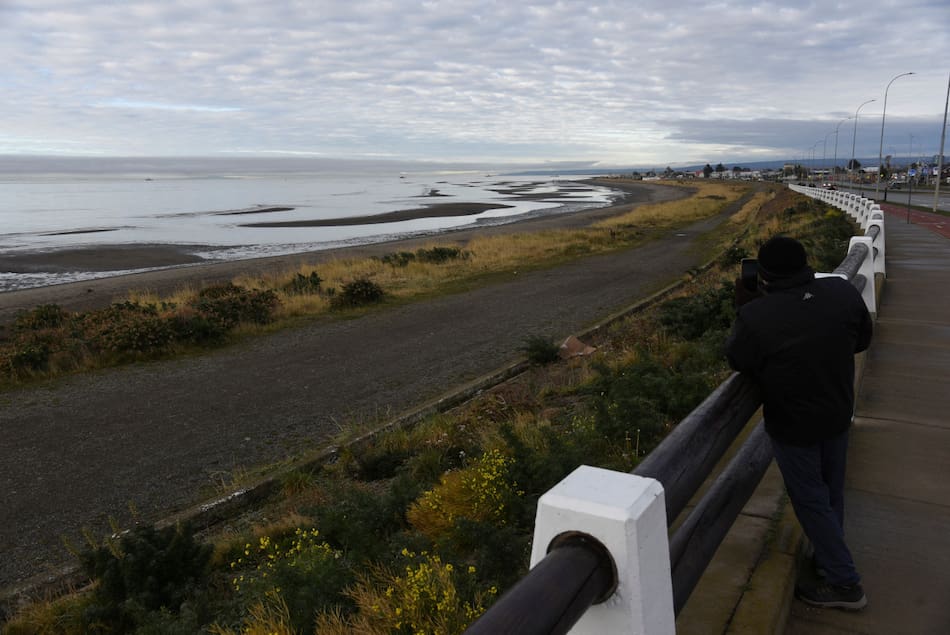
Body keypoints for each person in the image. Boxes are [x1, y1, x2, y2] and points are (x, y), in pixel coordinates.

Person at [725, 236, 873, 610]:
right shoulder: (840, 292)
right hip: (838, 412)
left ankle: (845, 584)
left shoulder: (758, 315)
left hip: (794, 425)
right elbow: (861, 340)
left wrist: (745, 307)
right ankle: (826, 562)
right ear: (805, 263)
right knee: (831, 492)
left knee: (810, 500)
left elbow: (739, 359)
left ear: (764, 274)